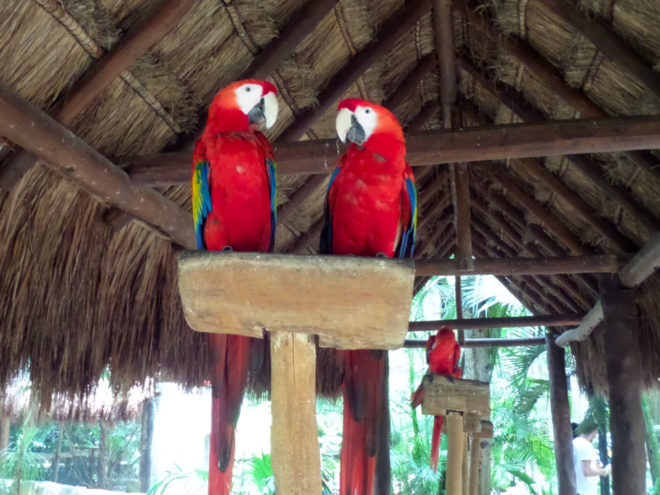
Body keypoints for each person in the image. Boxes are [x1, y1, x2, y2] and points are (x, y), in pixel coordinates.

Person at [572, 424, 611, 495]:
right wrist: (605, 471)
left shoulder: (574, 443)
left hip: (576, 490)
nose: (595, 436)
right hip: (584, 492)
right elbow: (587, 471)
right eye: (595, 432)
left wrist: (598, 467)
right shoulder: (585, 445)